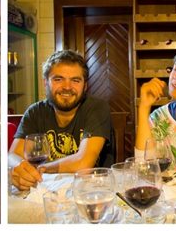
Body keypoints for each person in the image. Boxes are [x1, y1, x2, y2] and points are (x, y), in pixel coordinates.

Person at [8, 50, 112, 190]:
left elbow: (83, 163)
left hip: (91, 192)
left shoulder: (97, 108)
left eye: (75, 80)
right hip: (45, 191)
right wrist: (18, 169)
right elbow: (13, 156)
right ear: (46, 83)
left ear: (85, 86)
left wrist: (42, 168)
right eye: (58, 79)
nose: (67, 87)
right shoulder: (35, 112)